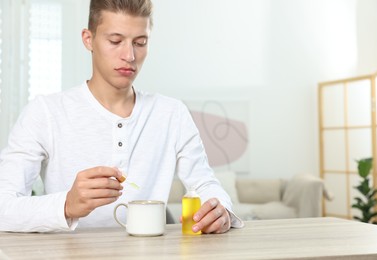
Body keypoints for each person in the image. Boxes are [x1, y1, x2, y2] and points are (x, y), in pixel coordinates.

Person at [0, 0, 243, 233]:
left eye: (140, 42)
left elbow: (204, 184)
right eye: (115, 41)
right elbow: (3, 206)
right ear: (88, 39)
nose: (129, 55)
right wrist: (67, 205)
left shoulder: (171, 114)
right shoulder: (45, 113)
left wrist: (220, 210)